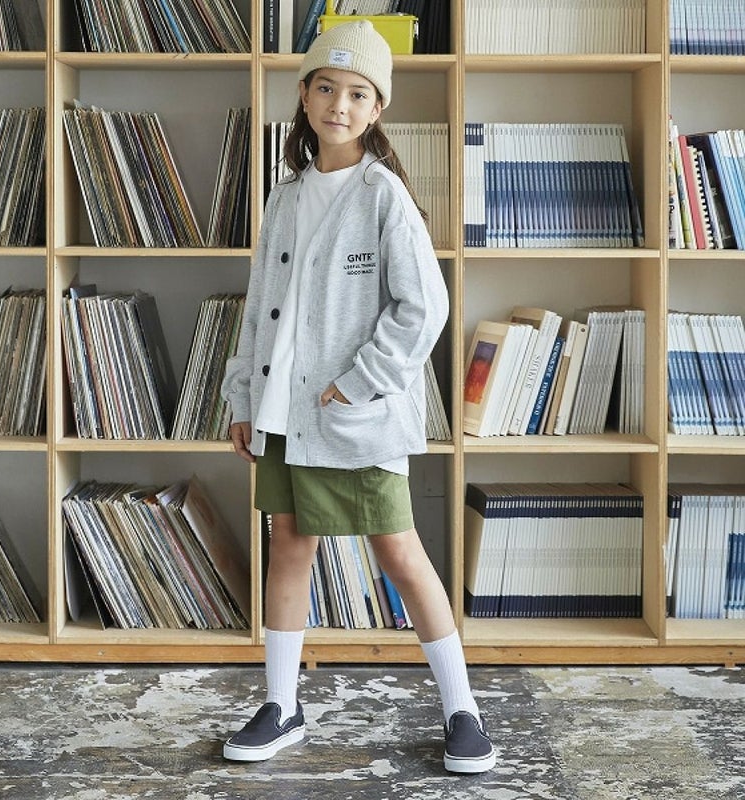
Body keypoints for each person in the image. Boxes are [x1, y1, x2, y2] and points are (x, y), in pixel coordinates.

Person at [220, 20, 496, 774]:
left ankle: (462, 709)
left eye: (357, 93)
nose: (339, 104)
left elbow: (424, 307)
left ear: (377, 109)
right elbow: (258, 310)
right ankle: (281, 706)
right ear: (305, 96)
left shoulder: (383, 196)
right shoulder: (284, 197)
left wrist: (359, 380)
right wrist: (242, 398)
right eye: (326, 87)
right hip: (282, 413)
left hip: (354, 417)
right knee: (289, 546)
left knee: (400, 552)